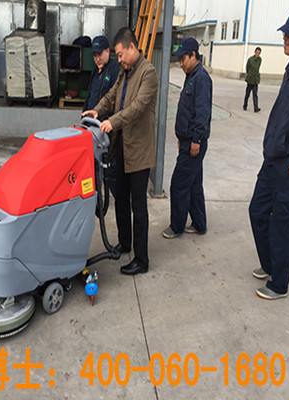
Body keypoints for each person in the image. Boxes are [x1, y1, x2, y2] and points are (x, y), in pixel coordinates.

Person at [82, 27, 158, 275]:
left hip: (139, 150)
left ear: (131, 47)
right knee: (121, 199)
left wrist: (112, 121)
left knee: (138, 206)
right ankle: (125, 243)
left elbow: (137, 107)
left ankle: (142, 259)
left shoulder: (148, 73)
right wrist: (97, 110)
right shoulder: (125, 72)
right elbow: (112, 95)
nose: (120, 59)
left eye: (121, 54)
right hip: (122, 146)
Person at [249, 9, 289, 300]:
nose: (285, 37)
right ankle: (270, 264)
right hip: (272, 158)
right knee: (257, 211)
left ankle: (279, 284)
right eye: (285, 32)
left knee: (281, 224)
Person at [162, 38, 212, 239]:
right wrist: (182, 136)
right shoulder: (191, 76)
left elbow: (202, 113)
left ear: (193, 55)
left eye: (183, 59)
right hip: (187, 140)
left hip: (194, 143)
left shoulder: (201, 78)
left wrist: (196, 140)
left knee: (179, 184)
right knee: (193, 184)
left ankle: (177, 226)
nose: (181, 63)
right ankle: (199, 224)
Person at [83, 35, 119, 197]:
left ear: (108, 51)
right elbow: (90, 96)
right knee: (92, 166)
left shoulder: (114, 71)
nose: (97, 58)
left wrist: (109, 123)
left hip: (105, 129)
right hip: (92, 128)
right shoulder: (95, 72)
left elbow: (114, 100)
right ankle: (96, 198)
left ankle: (117, 198)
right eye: (95, 55)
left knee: (110, 169)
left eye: (100, 54)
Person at [243, 47, 262, 112]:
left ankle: (256, 108)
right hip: (250, 80)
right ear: (255, 52)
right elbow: (247, 68)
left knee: (255, 95)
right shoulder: (250, 59)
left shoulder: (260, 60)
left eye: (259, 53)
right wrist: (249, 74)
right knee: (247, 94)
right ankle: (245, 105)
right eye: (257, 52)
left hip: (256, 80)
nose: (257, 54)